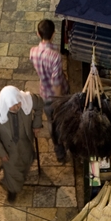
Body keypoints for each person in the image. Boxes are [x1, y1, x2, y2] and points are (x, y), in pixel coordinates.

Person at [0, 85, 43, 203]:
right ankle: (13, 188)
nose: (17, 107)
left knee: (26, 160)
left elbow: (39, 105)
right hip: (9, 147)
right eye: (13, 105)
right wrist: (1, 152)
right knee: (12, 168)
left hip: (25, 141)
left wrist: (37, 124)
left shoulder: (28, 99)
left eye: (18, 103)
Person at [28, 19, 69, 161]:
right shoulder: (55, 56)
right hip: (57, 96)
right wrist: (59, 102)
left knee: (51, 122)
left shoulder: (33, 52)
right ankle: (64, 146)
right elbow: (56, 83)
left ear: (38, 34)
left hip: (44, 93)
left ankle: (58, 149)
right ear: (54, 34)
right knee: (62, 121)